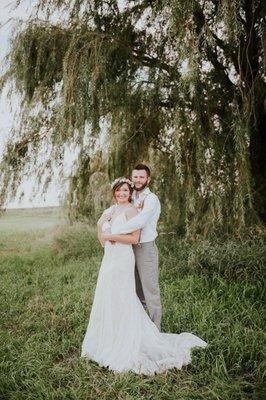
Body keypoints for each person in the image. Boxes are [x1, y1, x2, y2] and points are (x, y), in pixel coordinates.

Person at [81, 177, 207, 375]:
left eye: (125, 191)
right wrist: (100, 225)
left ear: (130, 193)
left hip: (123, 258)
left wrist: (111, 236)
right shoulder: (111, 210)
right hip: (110, 259)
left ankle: (128, 338)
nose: (121, 194)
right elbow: (102, 240)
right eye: (118, 191)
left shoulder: (133, 210)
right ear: (114, 192)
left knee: (124, 295)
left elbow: (134, 238)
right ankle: (109, 338)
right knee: (108, 295)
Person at [106, 164, 162, 330]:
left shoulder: (151, 199)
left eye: (141, 177)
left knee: (150, 292)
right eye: (135, 177)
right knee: (135, 290)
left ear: (148, 179)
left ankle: (155, 331)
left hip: (145, 248)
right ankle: (141, 329)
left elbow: (140, 221)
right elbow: (118, 210)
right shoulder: (131, 197)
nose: (138, 180)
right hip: (128, 249)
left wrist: (116, 232)